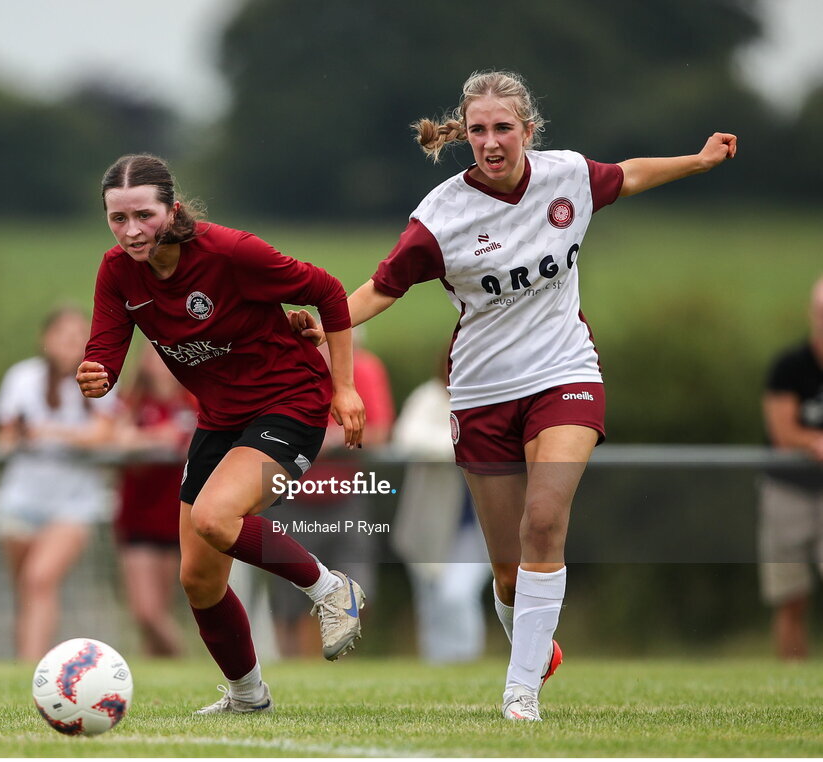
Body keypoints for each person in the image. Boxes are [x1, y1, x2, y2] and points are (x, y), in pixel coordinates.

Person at [290, 70, 736, 721]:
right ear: (463, 134)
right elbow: (380, 288)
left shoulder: (568, 178)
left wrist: (697, 161)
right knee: (506, 573)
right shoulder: (440, 216)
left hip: (564, 377)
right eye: (478, 130)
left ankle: (519, 693)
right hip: (480, 396)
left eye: (503, 128)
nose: (491, 141)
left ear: (528, 130)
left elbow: (629, 173)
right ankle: (533, 647)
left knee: (544, 521)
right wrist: (327, 322)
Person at [76, 154, 366, 714]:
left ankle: (331, 590)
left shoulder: (230, 252)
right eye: (118, 218)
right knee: (199, 581)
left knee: (215, 517)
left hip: (291, 404)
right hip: (221, 417)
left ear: (172, 209)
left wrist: (345, 386)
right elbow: (106, 351)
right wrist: (96, 373)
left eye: (144, 215)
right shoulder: (117, 271)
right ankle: (248, 696)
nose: (132, 230)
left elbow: (328, 292)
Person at [0, 305, 118, 662]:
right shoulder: (21, 378)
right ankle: (22, 664)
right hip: (21, 500)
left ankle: (34, 669)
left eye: (80, 336)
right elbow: (3, 435)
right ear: (46, 340)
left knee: (40, 579)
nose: (72, 344)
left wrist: (52, 433)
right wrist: (18, 437)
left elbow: (105, 434)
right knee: (26, 590)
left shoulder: (100, 376)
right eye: (64, 336)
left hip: (73, 504)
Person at [268, 333, 394, 657]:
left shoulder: (364, 369)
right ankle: (294, 677)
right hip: (289, 496)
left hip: (345, 496)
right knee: (288, 601)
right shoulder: (284, 373)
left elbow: (378, 433)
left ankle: (340, 667)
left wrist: (323, 442)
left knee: (360, 589)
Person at [391, 360, 492, 664]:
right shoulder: (428, 399)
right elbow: (407, 438)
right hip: (428, 525)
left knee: (457, 595)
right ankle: (436, 669)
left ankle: (465, 663)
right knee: (431, 605)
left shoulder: (495, 399)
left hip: (477, 526)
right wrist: (460, 446)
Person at [111, 344, 197, 658]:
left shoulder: (192, 401)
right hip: (137, 516)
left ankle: (160, 686)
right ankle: (186, 660)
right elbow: (118, 440)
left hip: (178, 517)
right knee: (146, 613)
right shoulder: (133, 404)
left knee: (160, 609)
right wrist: (160, 436)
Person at [759, 276, 823, 660]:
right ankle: (792, 679)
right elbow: (783, 434)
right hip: (788, 492)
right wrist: (813, 442)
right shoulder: (790, 367)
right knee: (791, 596)